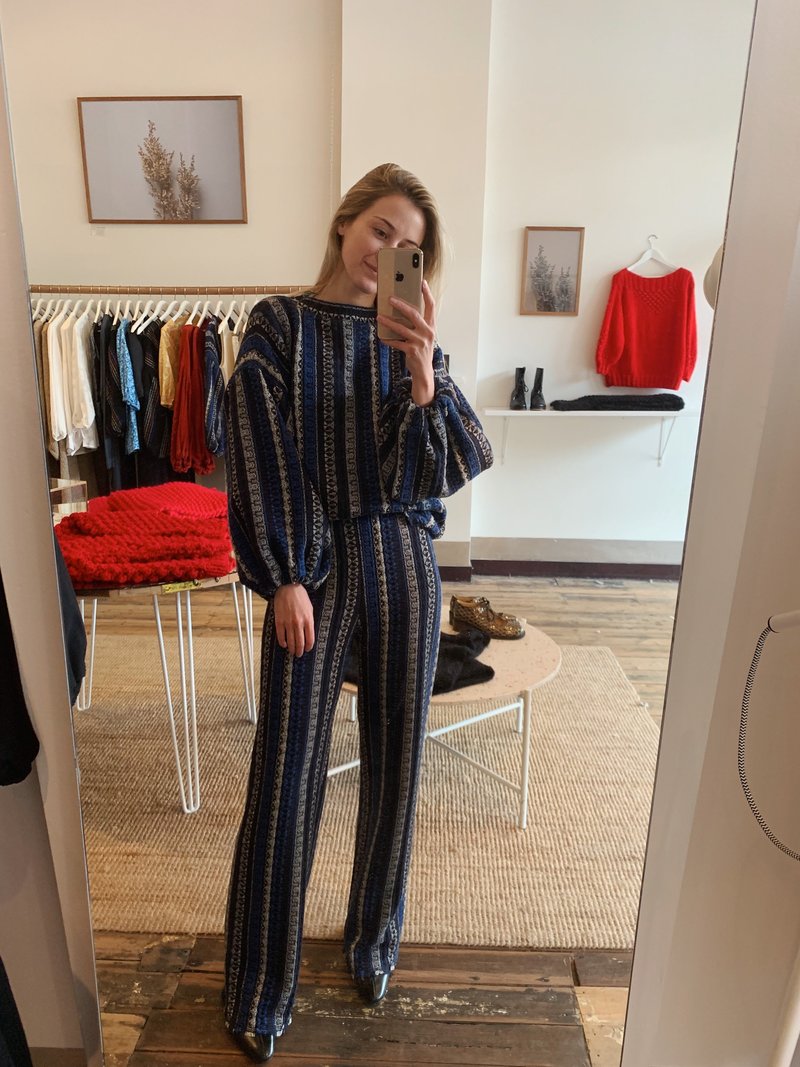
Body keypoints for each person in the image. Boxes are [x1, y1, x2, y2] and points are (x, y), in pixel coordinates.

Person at [222, 162, 493, 1062]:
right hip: (316, 569)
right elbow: (257, 444)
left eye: (409, 245)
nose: (388, 251)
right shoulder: (278, 326)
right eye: (381, 228)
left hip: (405, 563)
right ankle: (260, 987)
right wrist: (285, 574)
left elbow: (444, 465)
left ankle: (374, 942)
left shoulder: (412, 340)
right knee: (286, 772)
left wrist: (419, 372)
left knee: (397, 766)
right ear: (345, 224)